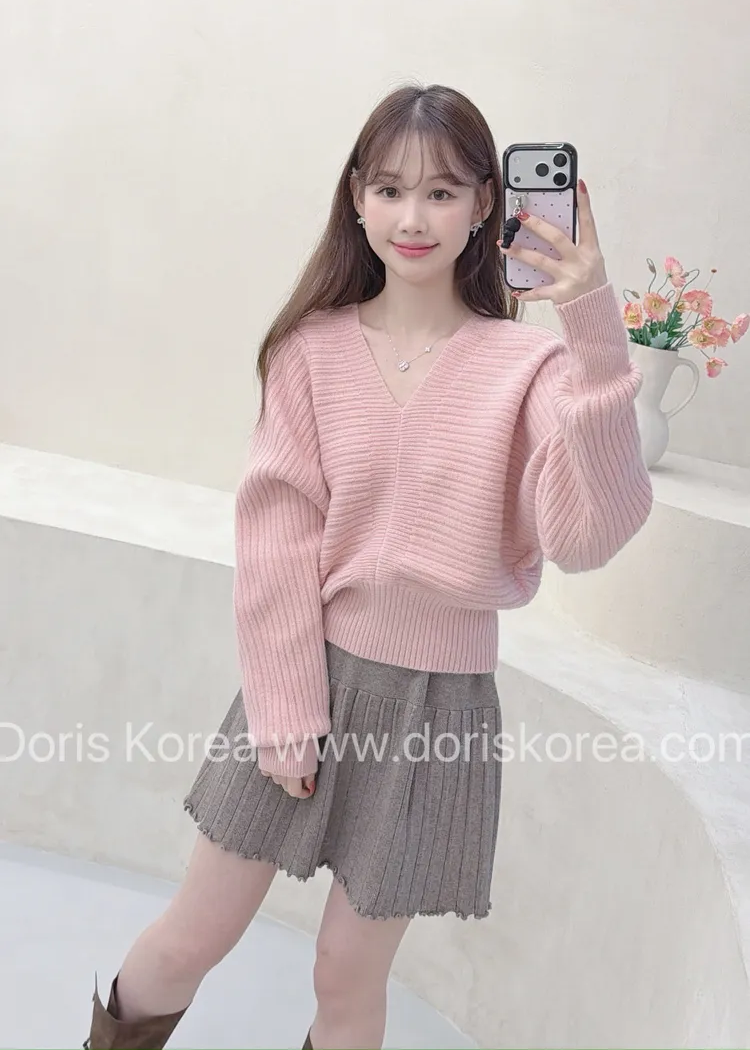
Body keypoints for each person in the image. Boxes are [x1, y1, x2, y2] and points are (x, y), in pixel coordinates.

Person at [83, 83, 653, 1050]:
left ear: (486, 204)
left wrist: (594, 328)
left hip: (438, 707)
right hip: (306, 676)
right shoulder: (310, 352)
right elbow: (275, 539)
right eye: (389, 189)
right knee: (190, 936)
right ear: (356, 198)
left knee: (345, 975)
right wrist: (286, 709)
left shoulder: (530, 369)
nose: (412, 218)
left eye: (441, 192)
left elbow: (590, 535)